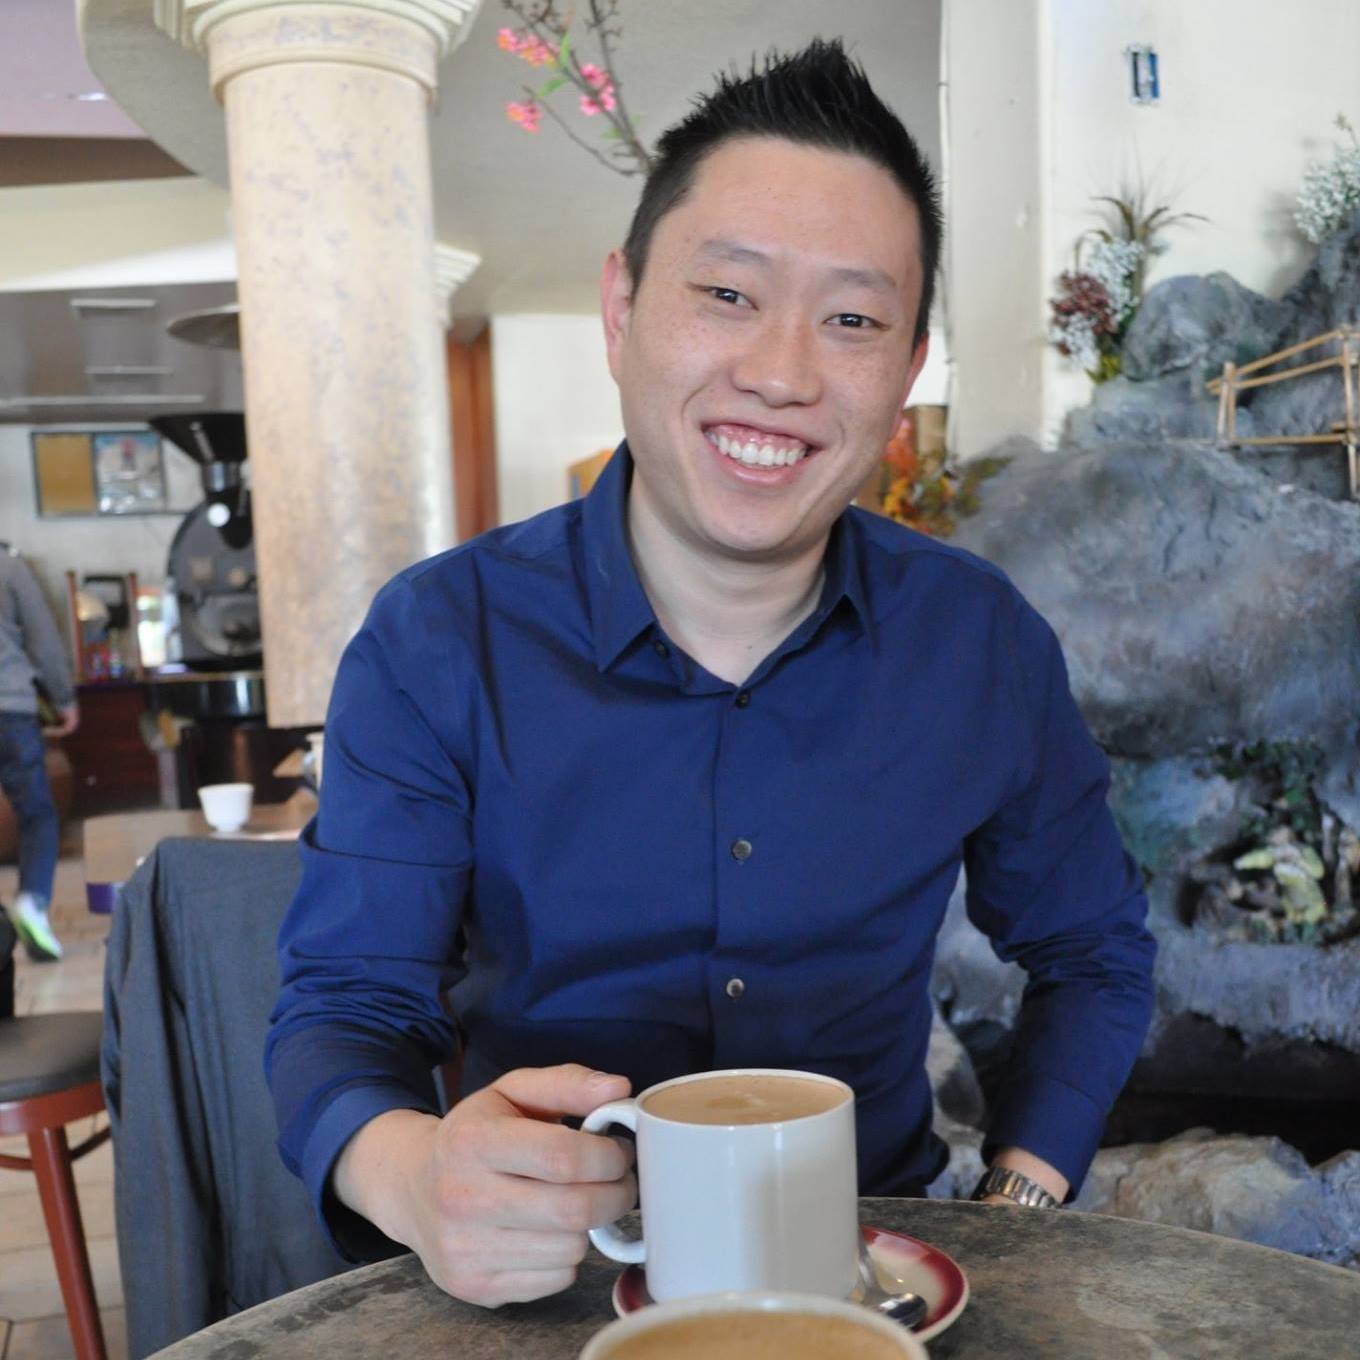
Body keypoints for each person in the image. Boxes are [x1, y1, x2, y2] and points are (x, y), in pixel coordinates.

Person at [267, 39, 1156, 1308]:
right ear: (622, 308)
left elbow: (1093, 950)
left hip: (867, 1268)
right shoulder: (438, 641)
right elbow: (345, 1003)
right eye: (728, 293)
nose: (782, 374)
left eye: (852, 319)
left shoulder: (980, 643)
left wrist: (1014, 1203)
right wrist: (411, 1174)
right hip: (549, 1280)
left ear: (906, 370)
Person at [0, 543, 78, 963]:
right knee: (37, 815)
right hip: (10, 707)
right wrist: (64, 698)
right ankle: (32, 901)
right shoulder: (10, 568)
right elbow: (43, 638)